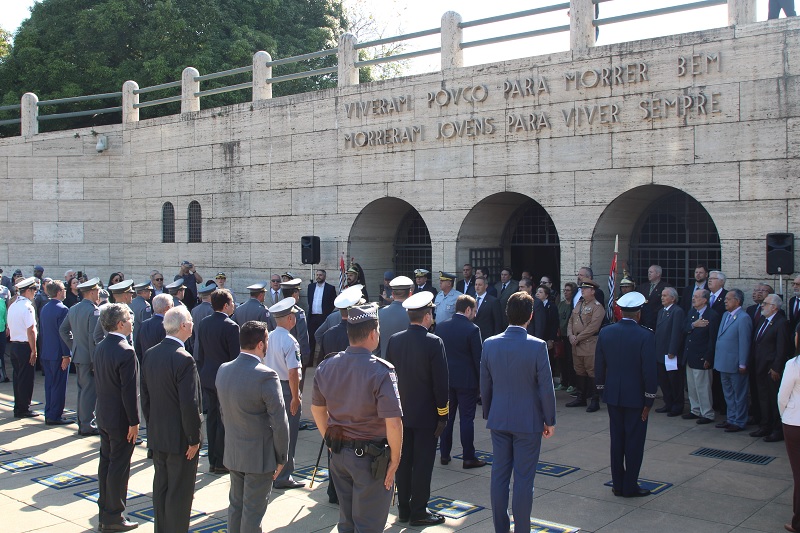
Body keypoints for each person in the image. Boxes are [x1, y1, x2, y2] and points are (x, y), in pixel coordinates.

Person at [311, 302, 403, 532]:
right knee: (368, 525)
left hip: (340, 455)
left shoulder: (326, 365)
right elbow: (393, 421)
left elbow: (316, 409)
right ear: (373, 334)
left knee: (347, 521)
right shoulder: (381, 370)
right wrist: (396, 458)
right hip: (370, 460)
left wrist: (329, 442)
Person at [481, 291, 556, 533]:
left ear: (506, 314)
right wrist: (549, 419)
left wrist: (490, 413)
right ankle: (522, 529)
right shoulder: (537, 346)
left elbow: (486, 383)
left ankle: (500, 529)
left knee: (499, 477)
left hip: (500, 418)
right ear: (531, 316)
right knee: (524, 479)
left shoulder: (490, 343)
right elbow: (546, 386)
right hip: (528, 420)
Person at [216, 320, 290, 533]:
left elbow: (224, 411)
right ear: (260, 344)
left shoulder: (224, 369)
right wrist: (281, 457)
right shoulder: (266, 375)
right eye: (266, 340)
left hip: (234, 451)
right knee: (252, 513)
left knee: (236, 508)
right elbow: (279, 421)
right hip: (259, 457)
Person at [386, 291, 449, 526]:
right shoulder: (434, 342)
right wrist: (443, 414)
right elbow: (441, 383)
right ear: (427, 316)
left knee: (402, 462)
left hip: (400, 414)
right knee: (422, 465)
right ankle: (419, 511)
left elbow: (388, 378)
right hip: (426, 417)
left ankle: (403, 509)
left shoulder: (394, 340)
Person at [141, 306, 202, 533]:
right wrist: (193, 438)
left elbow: (145, 399)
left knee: (162, 489)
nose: (193, 325)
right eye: (191, 321)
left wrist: (153, 426)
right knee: (179, 494)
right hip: (180, 440)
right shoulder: (184, 359)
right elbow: (189, 403)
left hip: (159, 435)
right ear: (183, 326)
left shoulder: (150, 353)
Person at [595, 291, 658, 498]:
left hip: (613, 395)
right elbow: (649, 371)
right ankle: (629, 485)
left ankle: (617, 484)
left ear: (620, 312)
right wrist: (649, 399)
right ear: (638, 314)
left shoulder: (606, 332)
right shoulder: (646, 335)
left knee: (617, 441)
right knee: (634, 442)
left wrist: (602, 389)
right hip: (636, 398)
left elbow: (599, 365)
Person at [93, 303, 140, 532]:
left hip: (103, 415)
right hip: (120, 419)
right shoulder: (125, 350)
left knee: (107, 465)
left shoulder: (101, 346)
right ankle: (114, 516)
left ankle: (105, 512)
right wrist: (134, 421)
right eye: (128, 319)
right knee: (118, 468)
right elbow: (128, 391)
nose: (132, 322)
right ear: (120, 324)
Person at [435, 295, 485, 469]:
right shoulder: (473, 329)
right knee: (466, 420)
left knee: (446, 418)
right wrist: (483, 384)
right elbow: (478, 360)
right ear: (468, 309)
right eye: (475, 310)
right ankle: (468, 457)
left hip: (446, 380)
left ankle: (444, 454)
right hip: (467, 382)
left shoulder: (441, 327)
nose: (475, 314)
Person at [196, 289, 240, 474]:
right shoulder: (231, 326)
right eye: (231, 303)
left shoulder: (204, 323)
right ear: (225, 305)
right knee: (224, 420)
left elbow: (201, 352)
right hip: (224, 379)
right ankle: (221, 461)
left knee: (212, 418)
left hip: (207, 376)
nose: (234, 306)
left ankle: (214, 460)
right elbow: (235, 357)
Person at [265, 297, 305, 490]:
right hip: (286, 389)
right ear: (289, 318)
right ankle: (284, 476)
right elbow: (293, 372)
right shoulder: (290, 341)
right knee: (289, 435)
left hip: (269, 387)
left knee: (273, 432)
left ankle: (272, 473)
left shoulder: (268, 337)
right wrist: (296, 397)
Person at [59, 277, 102, 435]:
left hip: (78, 355)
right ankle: (86, 425)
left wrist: (74, 346)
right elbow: (93, 338)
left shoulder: (74, 308)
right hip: (89, 358)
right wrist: (93, 360)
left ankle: (83, 422)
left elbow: (63, 330)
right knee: (89, 392)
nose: (98, 293)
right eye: (97, 290)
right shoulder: (93, 310)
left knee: (82, 391)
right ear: (91, 292)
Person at [751, 294, 792, 442]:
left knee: (774, 399)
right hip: (759, 366)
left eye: (765, 303)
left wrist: (776, 367)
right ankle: (765, 425)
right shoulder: (763, 320)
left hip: (771, 369)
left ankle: (777, 429)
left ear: (774, 307)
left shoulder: (781, 323)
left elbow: (782, 348)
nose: (762, 305)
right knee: (763, 398)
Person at [713, 289, 753, 432]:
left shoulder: (743, 318)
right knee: (728, 394)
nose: (725, 301)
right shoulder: (725, 315)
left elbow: (744, 342)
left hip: (735, 364)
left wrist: (743, 363)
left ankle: (740, 420)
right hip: (723, 362)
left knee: (739, 394)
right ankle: (731, 418)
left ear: (737, 301)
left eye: (728, 299)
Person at [683, 289, 720, 425]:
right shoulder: (692, 312)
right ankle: (695, 410)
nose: (693, 299)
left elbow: (712, 338)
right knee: (692, 385)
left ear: (705, 300)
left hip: (702, 356)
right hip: (690, 355)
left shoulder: (712, 315)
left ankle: (707, 413)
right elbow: (684, 327)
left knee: (702, 386)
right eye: (693, 296)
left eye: (697, 297)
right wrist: (694, 325)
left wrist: (708, 357)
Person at [566, 279, 605, 412]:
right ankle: (581, 397)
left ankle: (594, 400)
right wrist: (570, 335)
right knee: (579, 370)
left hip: (589, 344)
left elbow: (593, 327)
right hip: (576, 344)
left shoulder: (597, 307)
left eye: (585, 289)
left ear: (592, 291)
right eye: (582, 288)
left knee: (591, 371)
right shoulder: (579, 304)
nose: (582, 290)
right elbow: (571, 320)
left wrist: (578, 337)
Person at [39, 280, 72, 425]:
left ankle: (50, 412)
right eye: (64, 289)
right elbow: (63, 334)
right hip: (58, 354)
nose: (65, 291)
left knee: (50, 385)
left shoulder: (45, 308)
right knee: (58, 385)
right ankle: (55, 415)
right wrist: (66, 354)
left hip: (47, 352)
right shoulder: (62, 309)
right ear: (59, 292)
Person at [7, 277, 39, 419]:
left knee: (18, 378)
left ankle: (18, 406)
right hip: (25, 346)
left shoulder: (13, 305)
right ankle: (23, 408)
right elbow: (31, 330)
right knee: (26, 379)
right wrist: (34, 350)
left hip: (14, 345)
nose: (35, 293)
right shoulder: (27, 306)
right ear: (28, 290)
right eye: (34, 290)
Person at [654, 287, 686, 417]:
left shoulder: (677, 311)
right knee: (664, 381)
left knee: (674, 381)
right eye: (662, 295)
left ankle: (677, 406)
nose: (662, 297)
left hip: (670, 353)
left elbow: (676, 333)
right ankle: (668, 403)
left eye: (665, 295)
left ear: (673, 298)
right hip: (660, 351)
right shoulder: (661, 311)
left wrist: (672, 350)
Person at [778, 352, 800, 533]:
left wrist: (784, 415)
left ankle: (798, 521)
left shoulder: (794, 364)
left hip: (795, 423)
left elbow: (782, 396)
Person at [375, 276, 412, 357]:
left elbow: (376, 345)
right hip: (407, 365)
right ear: (410, 294)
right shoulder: (413, 314)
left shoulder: (380, 313)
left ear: (392, 294)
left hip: (385, 365)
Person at [134, 294, 174, 361]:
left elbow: (138, 349)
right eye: (172, 306)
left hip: (146, 366)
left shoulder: (143, 324)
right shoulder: (167, 326)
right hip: (163, 367)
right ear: (167, 308)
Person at [307, 269, 336, 358]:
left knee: (324, 339)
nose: (318, 277)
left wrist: (327, 313)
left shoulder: (330, 288)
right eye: (317, 275)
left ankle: (323, 359)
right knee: (311, 339)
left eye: (320, 275)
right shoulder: (311, 287)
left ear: (324, 276)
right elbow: (309, 300)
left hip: (323, 318)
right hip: (312, 317)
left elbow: (332, 303)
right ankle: (310, 361)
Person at [555, 282, 577, 393]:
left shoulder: (575, 304)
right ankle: (564, 382)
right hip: (561, 335)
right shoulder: (561, 304)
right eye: (565, 290)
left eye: (568, 290)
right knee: (561, 359)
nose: (565, 292)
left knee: (570, 360)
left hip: (570, 336)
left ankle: (572, 383)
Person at [636, 265, 670, 331]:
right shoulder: (642, 287)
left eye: (651, 272)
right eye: (648, 272)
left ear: (658, 274)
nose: (649, 274)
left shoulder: (665, 287)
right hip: (643, 320)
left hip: (657, 320)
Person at [473, 276, 502, 342]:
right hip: (473, 336)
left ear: (486, 286)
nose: (477, 287)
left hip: (487, 338)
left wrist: (496, 339)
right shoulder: (471, 299)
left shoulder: (493, 301)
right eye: (476, 284)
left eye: (480, 285)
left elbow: (498, 322)